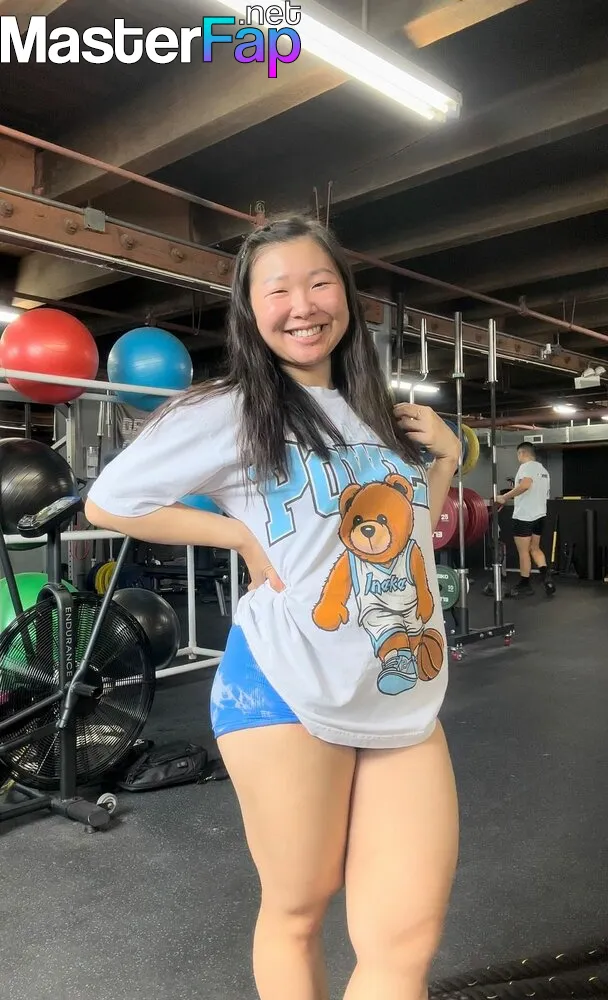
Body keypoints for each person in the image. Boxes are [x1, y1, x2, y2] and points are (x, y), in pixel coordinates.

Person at [85, 215, 461, 1000]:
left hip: (400, 695)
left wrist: (446, 462)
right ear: (250, 309)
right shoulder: (232, 409)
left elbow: (405, 534)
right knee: (298, 910)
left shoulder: (378, 414)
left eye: (319, 282)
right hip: (285, 687)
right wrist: (236, 535)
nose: (303, 305)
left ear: (345, 294)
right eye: (278, 289)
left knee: (406, 942)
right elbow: (110, 501)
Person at [495, 441, 555, 597]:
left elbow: (525, 485)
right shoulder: (543, 470)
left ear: (521, 453)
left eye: (518, 454)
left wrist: (504, 497)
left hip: (524, 517)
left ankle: (525, 584)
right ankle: (547, 579)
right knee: (535, 548)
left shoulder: (526, 467)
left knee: (523, 552)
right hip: (540, 516)